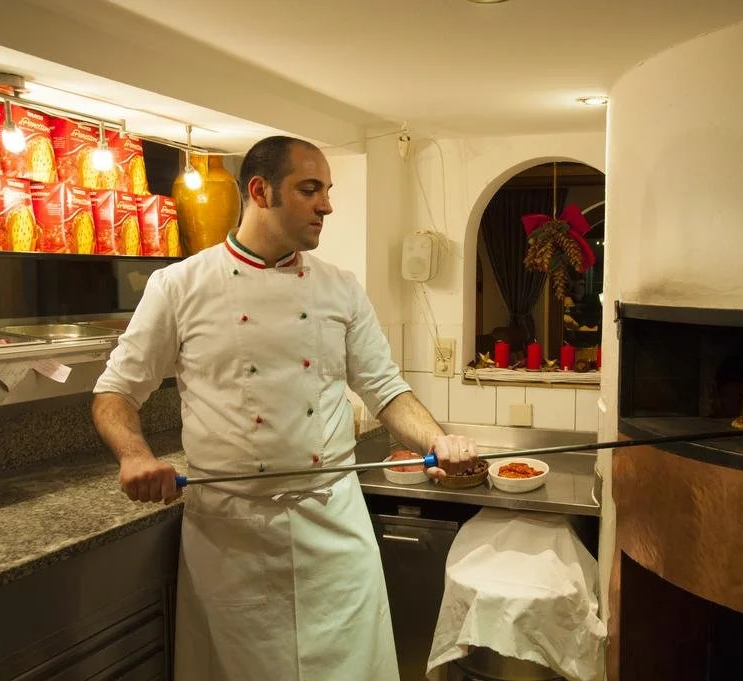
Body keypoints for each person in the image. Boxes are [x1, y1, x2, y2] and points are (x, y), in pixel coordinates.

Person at [91, 135, 479, 681]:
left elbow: (384, 388)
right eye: (310, 189)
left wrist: (437, 440)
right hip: (232, 539)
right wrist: (134, 455)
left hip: (333, 532)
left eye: (327, 190)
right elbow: (115, 391)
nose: (327, 205)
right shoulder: (179, 286)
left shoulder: (341, 288)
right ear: (260, 191)